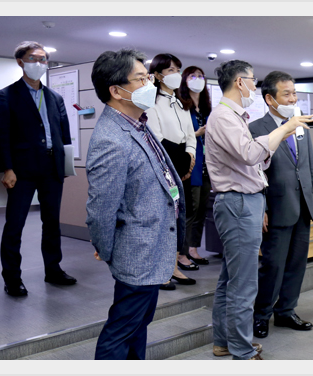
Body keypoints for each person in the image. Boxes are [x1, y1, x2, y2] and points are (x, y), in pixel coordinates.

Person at [205, 60, 313, 360]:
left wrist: (280, 135)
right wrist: (287, 128)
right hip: (238, 203)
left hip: (244, 200)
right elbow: (252, 154)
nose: (255, 85)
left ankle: (224, 341)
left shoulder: (234, 116)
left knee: (231, 279)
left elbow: (254, 159)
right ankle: (241, 349)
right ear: (240, 82)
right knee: (243, 283)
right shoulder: (225, 116)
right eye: (252, 80)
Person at [86, 48, 186, 360]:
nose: (150, 85)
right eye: (141, 79)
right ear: (116, 91)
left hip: (151, 246)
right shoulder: (110, 138)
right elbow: (100, 209)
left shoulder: (137, 123)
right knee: (122, 328)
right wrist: (110, 250)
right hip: (136, 252)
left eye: (148, 77)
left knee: (137, 325)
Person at [0, 41, 76, 297]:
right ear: (21, 61)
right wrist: (7, 168)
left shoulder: (55, 97)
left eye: (43, 59)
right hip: (22, 170)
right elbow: (1, 134)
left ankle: (53, 270)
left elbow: (64, 134)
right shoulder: (6, 95)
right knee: (14, 225)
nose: (39, 63)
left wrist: (65, 165)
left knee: (51, 223)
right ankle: (13, 279)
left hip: (52, 168)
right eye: (33, 58)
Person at [249, 71, 313, 339]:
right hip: (276, 206)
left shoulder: (299, 125)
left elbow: (308, 165)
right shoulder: (256, 129)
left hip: (302, 205)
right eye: (286, 93)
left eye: (294, 92)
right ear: (269, 98)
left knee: (297, 263)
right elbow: (255, 173)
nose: (293, 98)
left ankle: (287, 310)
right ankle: (261, 314)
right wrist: (262, 208)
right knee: (273, 265)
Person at [145, 53, 196, 289]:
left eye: (178, 69)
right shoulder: (151, 101)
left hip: (184, 163)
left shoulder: (182, 103)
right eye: (170, 70)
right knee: (164, 218)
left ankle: (174, 265)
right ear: (157, 75)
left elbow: (189, 135)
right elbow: (157, 138)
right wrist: (181, 163)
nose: (176, 74)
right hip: (165, 164)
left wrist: (191, 157)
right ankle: (160, 269)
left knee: (180, 218)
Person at [178, 66, 213, 268]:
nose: (198, 79)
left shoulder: (207, 108)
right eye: (193, 76)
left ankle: (193, 249)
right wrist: (197, 134)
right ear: (185, 79)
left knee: (201, 210)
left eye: (201, 76)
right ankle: (181, 254)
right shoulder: (182, 106)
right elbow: (176, 137)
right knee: (190, 210)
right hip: (191, 165)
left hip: (208, 165)